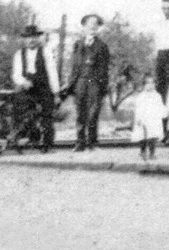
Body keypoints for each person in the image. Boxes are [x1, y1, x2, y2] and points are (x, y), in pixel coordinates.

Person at [61, 14, 110, 151]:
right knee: (80, 113)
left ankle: (92, 143)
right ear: (84, 26)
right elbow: (74, 67)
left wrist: (102, 87)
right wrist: (70, 84)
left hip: (94, 83)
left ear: (98, 27)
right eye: (90, 24)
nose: (92, 27)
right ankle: (80, 142)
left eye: (96, 24)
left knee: (93, 114)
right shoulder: (78, 44)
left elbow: (104, 69)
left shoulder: (102, 46)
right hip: (80, 83)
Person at [10, 24, 59, 152]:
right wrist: (23, 82)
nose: (31, 40)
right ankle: (26, 137)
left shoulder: (46, 51)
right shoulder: (19, 54)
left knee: (47, 114)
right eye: (28, 38)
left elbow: (52, 73)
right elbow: (16, 74)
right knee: (21, 109)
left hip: (43, 87)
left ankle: (47, 145)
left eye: (34, 37)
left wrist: (56, 93)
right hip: (27, 87)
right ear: (24, 40)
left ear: (38, 38)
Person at [131, 74, 168, 160]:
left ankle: (152, 153)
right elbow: (138, 108)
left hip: (153, 119)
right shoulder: (141, 96)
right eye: (147, 83)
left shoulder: (157, 96)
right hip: (144, 119)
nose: (150, 85)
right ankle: (143, 151)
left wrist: (164, 113)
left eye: (152, 83)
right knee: (143, 136)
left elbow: (160, 106)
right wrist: (139, 118)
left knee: (152, 136)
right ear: (144, 85)